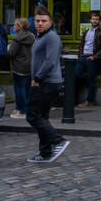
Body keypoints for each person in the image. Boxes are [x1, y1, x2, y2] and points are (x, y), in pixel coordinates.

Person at [24, 11, 68, 163]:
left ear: (50, 23)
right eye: (37, 21)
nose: (40, 23)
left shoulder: (52, 37)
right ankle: (45, 152)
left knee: (32, 115)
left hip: (47, 82)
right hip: (43, 81)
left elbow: (50, 61)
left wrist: (37, 78)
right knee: (42, 117)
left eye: (43, 21)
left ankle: (57, 140)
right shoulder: (41, 37)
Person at [76, 12, 101, 107]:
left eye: (97, 19)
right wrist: (80, 55)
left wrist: (94, 57)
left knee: (91, 80)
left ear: (99, 21)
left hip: (92, 59)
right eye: (93, 19)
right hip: (83, 57)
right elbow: (81, 45)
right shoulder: (86, 32)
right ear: (90, 20)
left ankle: (89, 101)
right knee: (75, 74)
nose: (95, 21)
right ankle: (72, 99)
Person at [7, 17, 35, 119]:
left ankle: (22, 110)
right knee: (26, 89)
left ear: (19, 26)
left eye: (15, 24)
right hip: (29, 66)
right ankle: (24, 108)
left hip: (18, 67)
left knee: (19, 89)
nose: (13, 26)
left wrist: (8, 49)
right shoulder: (32, 36)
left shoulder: (16, 39)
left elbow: (11, 53)